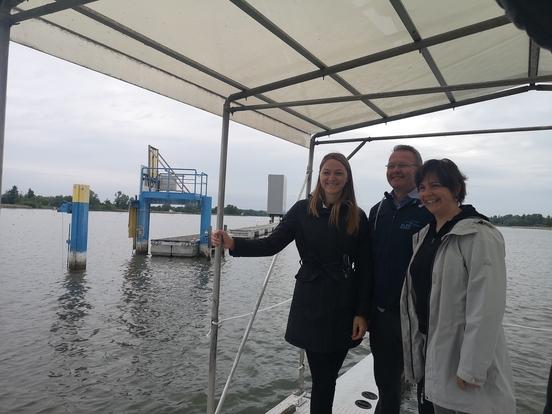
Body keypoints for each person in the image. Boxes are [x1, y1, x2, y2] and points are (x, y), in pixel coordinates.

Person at [211, 152, 371, 414]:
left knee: (329, 375)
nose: (331, 178)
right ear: (319, 176)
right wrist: (234, 243)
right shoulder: (301, 211)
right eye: (326, 172)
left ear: (347, 178)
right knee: (322, 376)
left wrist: (362, 313)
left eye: (338, 173)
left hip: (344, 302)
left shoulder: (357, 215)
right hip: (311, 301)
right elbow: (271, 244)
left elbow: (365, 268)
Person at [401, 158, 516, 414]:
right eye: (421, 187)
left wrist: (472, 369)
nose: (427, 193)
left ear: (455, 189)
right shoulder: (425, 236)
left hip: (462, 359)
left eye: (435, 185)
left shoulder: (479, 235)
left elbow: (486, 307)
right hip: (432, 350)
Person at [368, 145, 432, 414]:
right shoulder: (377, 210)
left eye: (403, 165)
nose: (395, 170)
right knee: (386, 385)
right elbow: (367, 264)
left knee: (428, 387)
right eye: (391, 165)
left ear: (418, 170)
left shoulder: (430, 209)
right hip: (382, 316)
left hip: (419, 318)